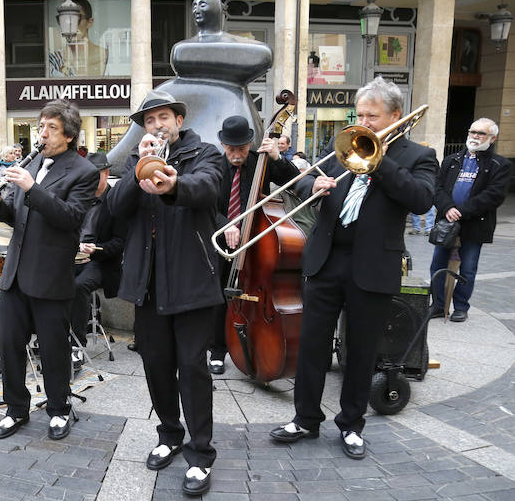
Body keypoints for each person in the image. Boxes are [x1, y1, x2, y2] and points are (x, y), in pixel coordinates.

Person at [270, 77, 437, 460]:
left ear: (396, 115)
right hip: (326, 259)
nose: (363, 121)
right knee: (311, 346)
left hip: (372, 266)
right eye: (360, 114)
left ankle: (350, 425)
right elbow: (311, 176)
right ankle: (305, 419)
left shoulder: (417, 156)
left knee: (361, 351)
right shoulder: (346, 142)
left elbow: (421, 199)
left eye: (372, 116)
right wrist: (314, 185)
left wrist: (379, 160)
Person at [108, 90, 224, 496]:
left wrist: (173, 184)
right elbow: (114, 208)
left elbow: (207, 188)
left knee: (192, 368)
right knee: (156, 365)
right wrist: (138, 170)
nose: (156, 125)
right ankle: (170, 434)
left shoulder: (205, 152)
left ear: (178, 119)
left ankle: (200, 452)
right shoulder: (134, 161)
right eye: (149, 120)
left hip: (192, 281)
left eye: (163, 117)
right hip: (148, 283)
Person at [0, 99, 98, 442]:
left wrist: (30, 188)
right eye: (40, 126)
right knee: (9, 345)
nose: (42, 134)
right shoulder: (31, 166)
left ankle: (59, 409)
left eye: (51, 128)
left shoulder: (83, 171)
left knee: (53, 350)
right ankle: (16, 409)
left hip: (50, 276)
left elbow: (70, 218)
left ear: (69, 136)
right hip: (16, 274)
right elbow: (18, 218)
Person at [209, 117, 300, 375]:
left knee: (255, 296)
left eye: (241, 149)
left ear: (250, 143)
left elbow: (294, 182)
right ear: (223, 145)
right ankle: (217, 350)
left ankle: (257, 342)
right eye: (231, 149)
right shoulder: (214, 166)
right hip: (222, 241)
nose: (237, 155)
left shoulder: (261, 162)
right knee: (221, 294)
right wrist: (227, 224)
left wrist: (277, 157)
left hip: (258, 242)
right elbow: (207, 207)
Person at [429, 118, 512, 322]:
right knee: (437, 264)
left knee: (468, 268)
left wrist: (461, 211)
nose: (475, 136)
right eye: (472, 131)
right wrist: (448, 207)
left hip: (475, 224)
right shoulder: (451, 160)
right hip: (447, 223)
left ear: (492, 138)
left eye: (481, 133)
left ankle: (461, 306)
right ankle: (439, 305)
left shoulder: (500, 165)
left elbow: (494, 195)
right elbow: (437, 188)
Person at [68, 152, 125, 370]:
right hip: (73, 256)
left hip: (100, 261)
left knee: (79, 287)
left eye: (95, 176)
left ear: (106, 174)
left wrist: (96, 250)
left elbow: (120, 242)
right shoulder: (79, 198)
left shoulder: (116, 202)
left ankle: (76, 347)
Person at [49, 0, 109, 77]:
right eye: (64, 20)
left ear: (89, 22)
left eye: (76, 19)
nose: (70, 25)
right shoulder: (54, 60)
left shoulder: (106, 56)